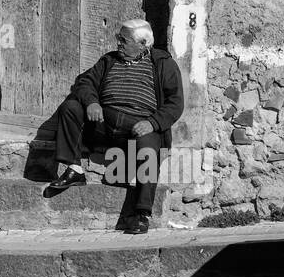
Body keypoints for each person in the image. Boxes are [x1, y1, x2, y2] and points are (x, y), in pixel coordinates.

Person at [47, 18, 184, 234]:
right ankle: (74, 169)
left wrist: (152, 123)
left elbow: (175, 103)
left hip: (138, 127)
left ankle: (142, 214)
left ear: (143, 44)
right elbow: (84, 82)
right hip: (103, 124)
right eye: (118, 38)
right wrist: (92, 102)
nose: (118, 43)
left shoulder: (163, 63)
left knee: (149, 148)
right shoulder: (108, 61)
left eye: (124, 40)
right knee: (71, 107)